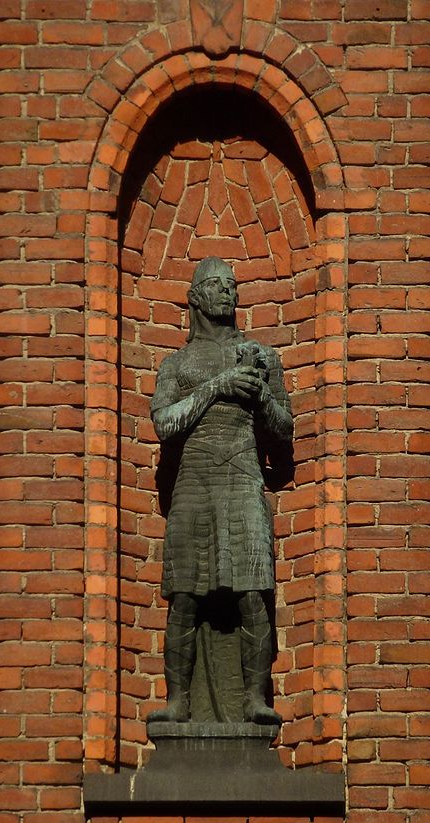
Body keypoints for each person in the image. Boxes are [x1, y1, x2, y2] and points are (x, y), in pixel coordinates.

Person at [148, 256, 293, 725]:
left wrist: (261, 397)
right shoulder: (178, 363)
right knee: (186, 594)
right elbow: (164, 423)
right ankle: (179, 701)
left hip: (243, 478)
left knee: (253, 590)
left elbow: (284, 431)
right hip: (195, 484)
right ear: (195, 298)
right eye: (216, 284)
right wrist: (217, 386)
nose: (227, 292)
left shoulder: (261, 357)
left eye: (232, 285)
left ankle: (254, 697)